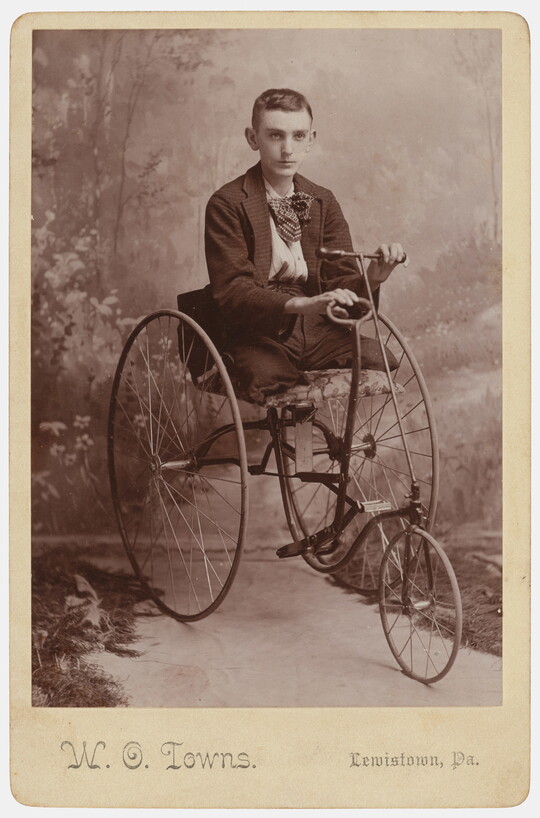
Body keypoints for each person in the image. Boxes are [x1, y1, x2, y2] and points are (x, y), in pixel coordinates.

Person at [204, 88, 405, 404]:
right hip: (258, 328)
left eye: (298, 136)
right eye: (275, 136)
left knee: (380, 357)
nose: (287, 149)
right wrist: (300, 305)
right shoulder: (227, 204)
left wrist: (374, 276)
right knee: (269, 376)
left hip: (316, 326)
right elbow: (233, 291)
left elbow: (341, 284)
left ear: (311, 139)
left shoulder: (322, 200)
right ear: (252, 138)